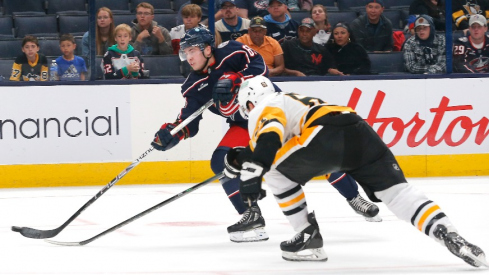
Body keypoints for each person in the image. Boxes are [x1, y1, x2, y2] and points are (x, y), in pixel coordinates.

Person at [226, 75, 488, 266]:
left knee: (272, 170)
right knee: (398, 194)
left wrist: (251, 172)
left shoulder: (263, 105)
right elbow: (276, 144)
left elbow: (270, 135)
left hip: (323, 135)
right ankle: (446, 231)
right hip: (358, 129)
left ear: (249, 101)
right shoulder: (292, 99)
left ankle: (306, 234)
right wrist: (246, 159)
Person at [151, 26, 271, 243]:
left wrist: (237, 78)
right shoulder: (193, 86)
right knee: (220, 162)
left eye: (192, 51)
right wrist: (172, 134)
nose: (188, 57)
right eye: (185, 53)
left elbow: (261, 68)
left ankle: (353, 196)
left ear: (207, 49)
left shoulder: (232, 51)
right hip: (243, 125)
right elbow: (189, 122)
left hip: (273, 115)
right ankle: (251, 216)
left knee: (308, 156)